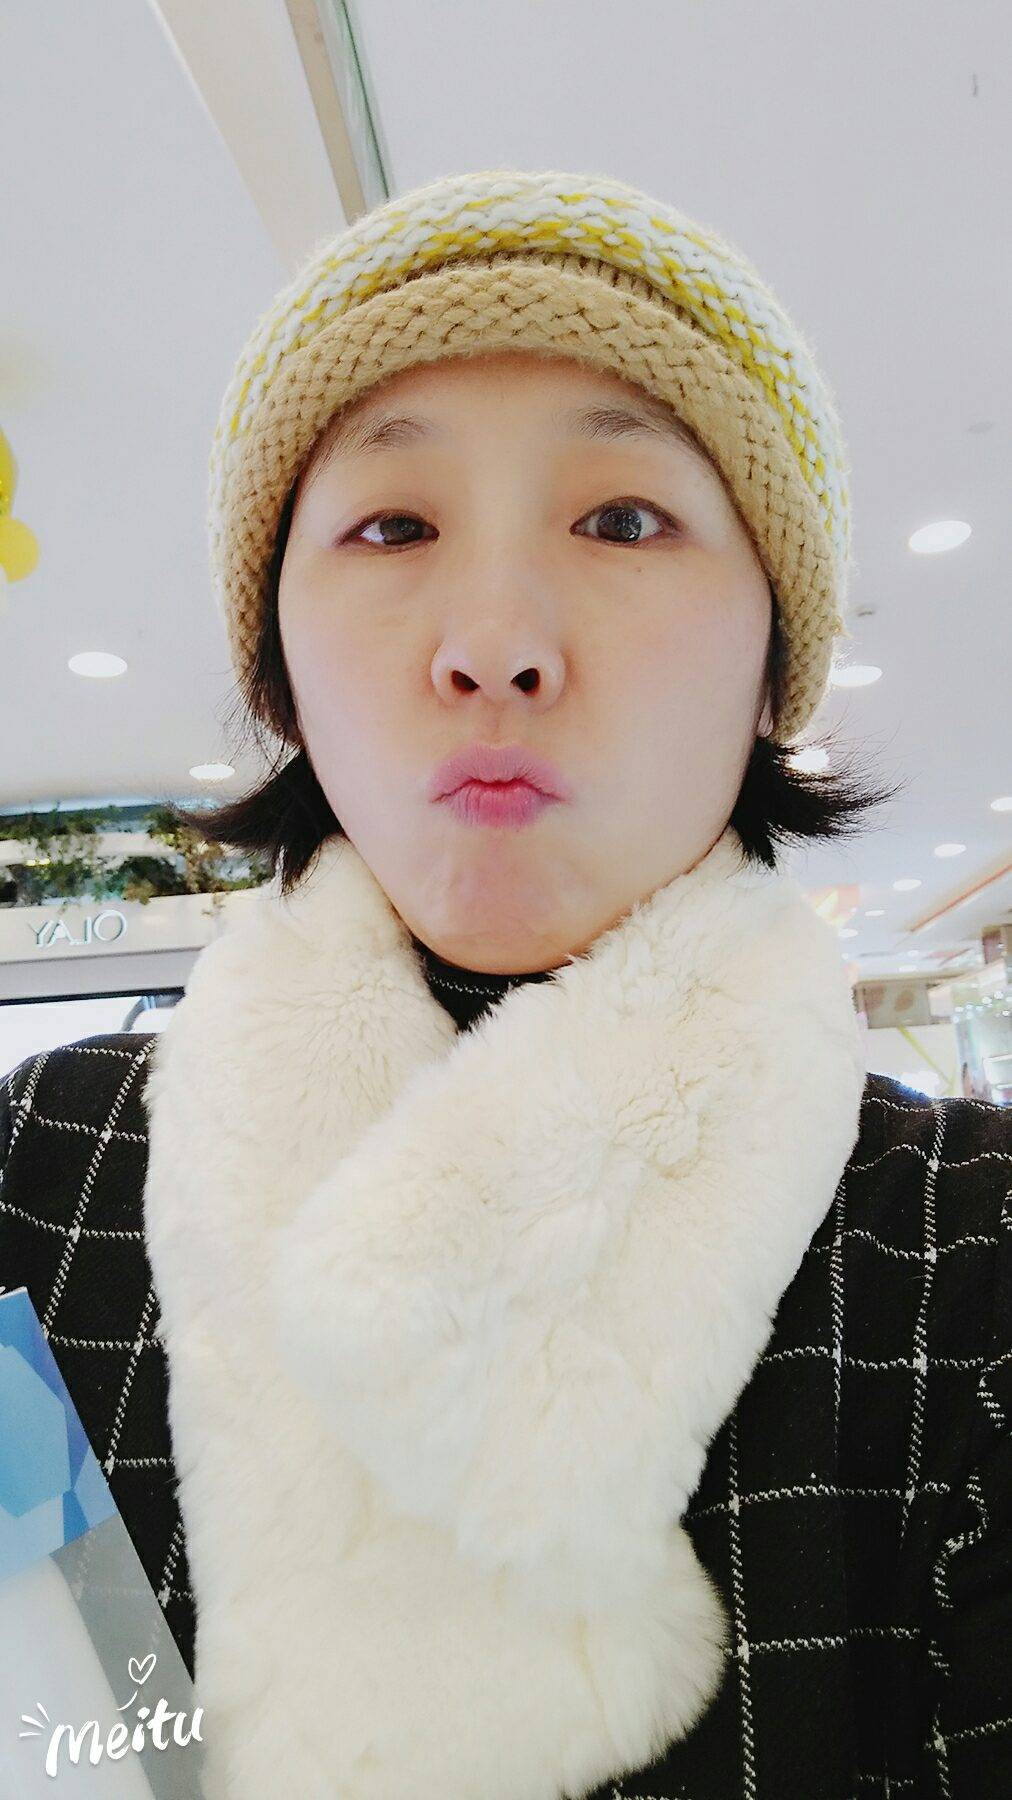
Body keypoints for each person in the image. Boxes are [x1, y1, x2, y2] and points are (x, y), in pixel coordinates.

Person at [1, 168, 1009, 1799]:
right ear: (281, 664)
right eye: (393, 525)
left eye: (624, 519)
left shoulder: (969, 1253)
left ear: (776, 660)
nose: (494, 642)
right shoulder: (37, 1173)